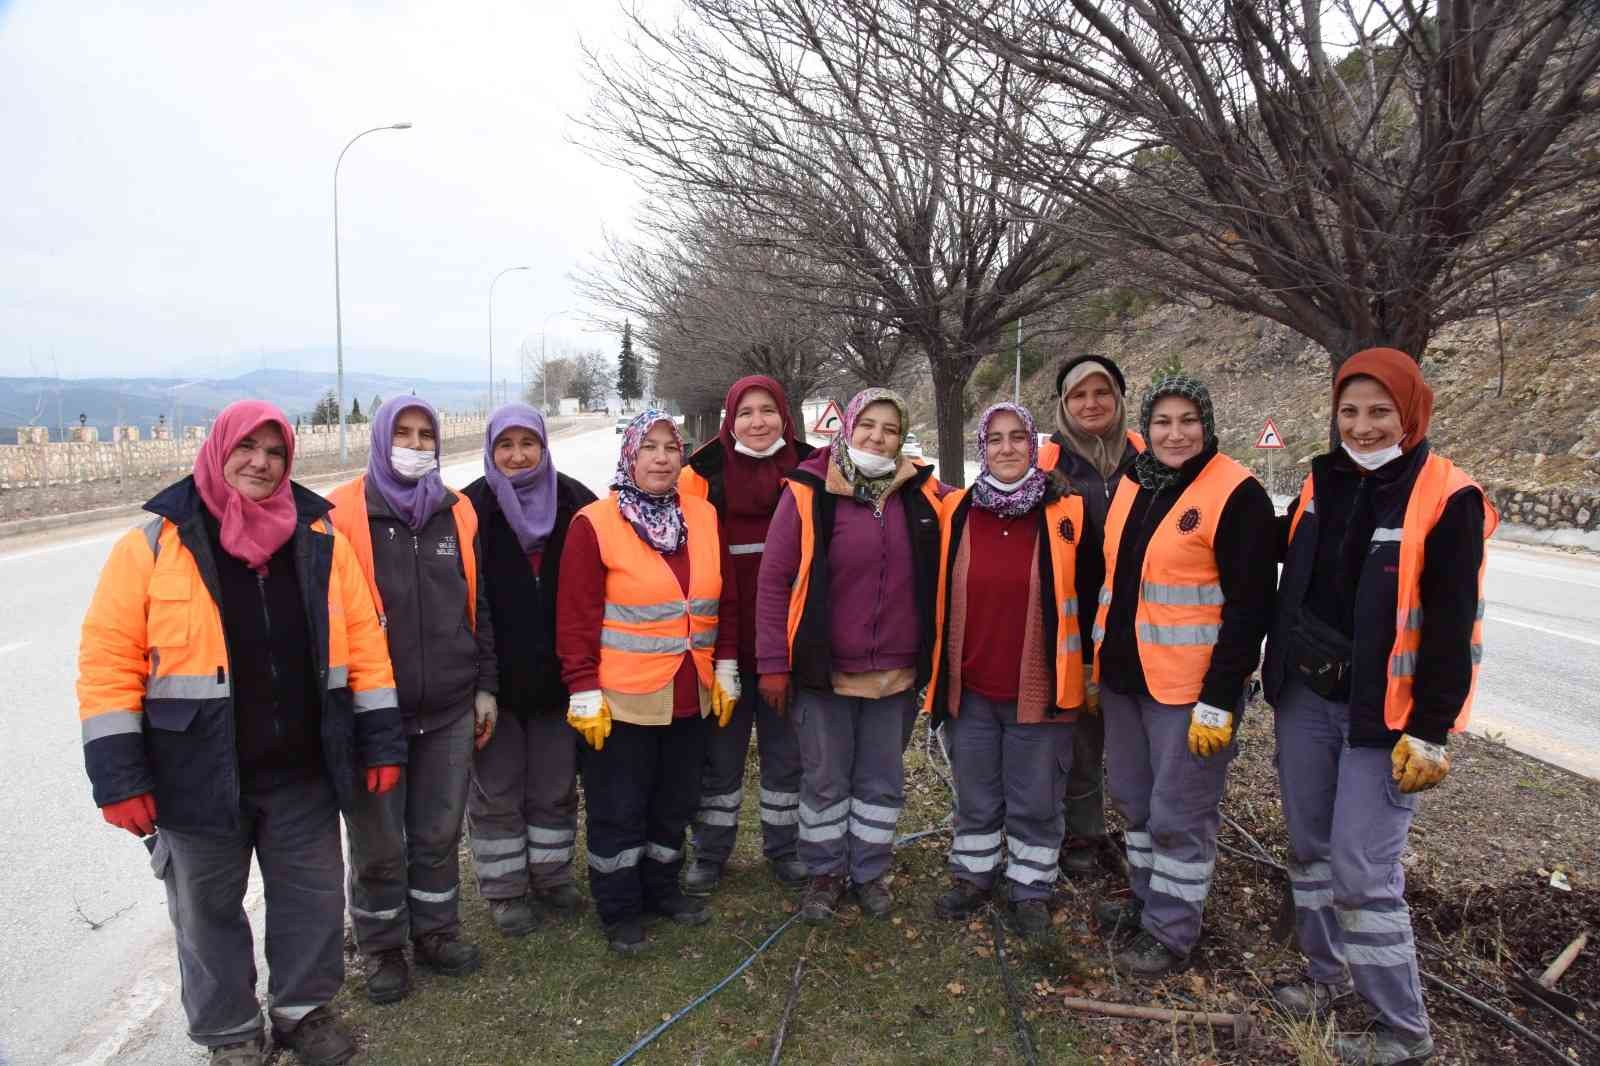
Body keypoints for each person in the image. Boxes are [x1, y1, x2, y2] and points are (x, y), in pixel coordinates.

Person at [77, 401, 402, 1066]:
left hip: (303, 770)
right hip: (193, 777)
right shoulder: (153, 545)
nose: (260, 462)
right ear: (219, 450)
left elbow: (365, 644)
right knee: (206, 916)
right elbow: (108, 660)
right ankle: (229, 1035)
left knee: (310, 903)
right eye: (247, 448)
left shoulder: (321, 541)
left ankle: (303, 1013)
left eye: (274, 451)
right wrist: (118, 777)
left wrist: (381, 739)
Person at [1263, 348, 1496, 1066]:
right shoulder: (1320, 481)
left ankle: (1402, 1026)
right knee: (1309, 851)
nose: (1362, 427)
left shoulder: (1447, 497)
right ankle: (1325, 977)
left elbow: (1452, 626)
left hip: (1383, 718)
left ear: (1410, 413)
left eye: (1379, 412)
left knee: (1363, 871)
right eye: (1350, 412)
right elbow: (1293, 568)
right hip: (1307, 696)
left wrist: (1431, 730)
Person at [1090, 375, 1276, 978]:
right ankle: (1148, 901)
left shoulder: (1236, 492)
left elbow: (1250, 608)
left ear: (1208, 423)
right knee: (1136, 802)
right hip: (1125, 679)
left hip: (1191, 692)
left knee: (1180, 813)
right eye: (1163, 421)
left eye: (1188, 420)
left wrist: (1221, 698)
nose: (1175, 434)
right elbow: (1118, 582)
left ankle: (1172, 931)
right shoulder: (1135, 482)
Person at [326, 398, 496, 1003]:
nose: (416, 444)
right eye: (403, 433)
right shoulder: (342, 514)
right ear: (379, 438)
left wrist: (484, 687)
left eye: (426, 435)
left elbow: (479, 608)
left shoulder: (459, 513)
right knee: (377, 842)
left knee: (438, 832)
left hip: (450, 706)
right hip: (374, 714)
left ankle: (437, 930)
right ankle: (381, 947)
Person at [756, 387, 945, 923]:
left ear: (902, 437)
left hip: (896, 672)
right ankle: (824, 871)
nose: (876, 437)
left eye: (889, 429)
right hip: (825, 671)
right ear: (846, 427)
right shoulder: (808, 492)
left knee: (881, 779)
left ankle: (868, 870)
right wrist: (773, 663)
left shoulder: (921, 495)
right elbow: (773, 583)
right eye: (867, 425)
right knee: (825, 779)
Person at [556, 410, 737, 955]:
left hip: (691, 691)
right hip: (623, 700)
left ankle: (662, 890)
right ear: (629, 456)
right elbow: (575, 616)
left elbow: (724, 600)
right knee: (619, 808)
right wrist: (583, 688)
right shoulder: (595, 523)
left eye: (670, 448)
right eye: (649, 448)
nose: (661, 458)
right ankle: (619, 908)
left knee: (674, 802)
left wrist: (725, 665)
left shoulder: (703, 515)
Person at [924, 402, 1103, 938]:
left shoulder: (1066, 511)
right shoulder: (957, 512)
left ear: (1034, 445)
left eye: (1017, 438)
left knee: (1035, 798)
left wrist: (1091, 669)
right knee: (976, 792)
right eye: (995, 439)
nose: (1007, 448)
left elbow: (1093, 594)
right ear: (983, 448)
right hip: (971, 686)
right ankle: (973, 877)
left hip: (1040, 688)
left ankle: (1031, 887)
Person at [461, 405, 596, 935]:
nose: (517, 456)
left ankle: (552, 873)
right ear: (491, 451)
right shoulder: (470, 509)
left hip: (561, 680)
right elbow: (468, 604)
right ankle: (504, 888)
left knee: (555, 785)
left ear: (544, 447)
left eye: (528, 443)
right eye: (505, 445)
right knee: (496, 789)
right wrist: (480, 684)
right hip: (496, 683)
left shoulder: (576, 501)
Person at [679, 376, 815, 895]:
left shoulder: (812, 469)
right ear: (728, 420)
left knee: (788, 758)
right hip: (723, 647)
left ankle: (786, 849)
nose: (757, 423)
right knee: (720, 759)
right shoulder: (702, 474)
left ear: (785, 415)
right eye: (746, 413)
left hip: (790, 645)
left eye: (767, 411)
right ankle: (710, 852)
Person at [1038, 355, 1145, 877]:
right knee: (1078, 733)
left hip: (1137, 622)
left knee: (1126, 733)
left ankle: (1133, 828)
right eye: (1078, 395)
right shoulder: (1048, 464)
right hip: (1071, 621)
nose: (1091, 404)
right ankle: (1081, 830)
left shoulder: (1148, 457)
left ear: (1119, 397)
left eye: (1101, 393)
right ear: (1063, 404)